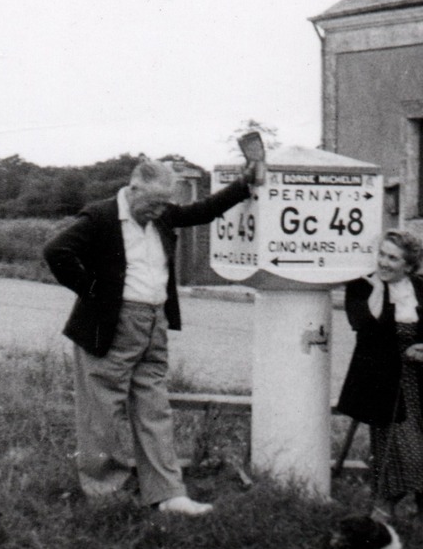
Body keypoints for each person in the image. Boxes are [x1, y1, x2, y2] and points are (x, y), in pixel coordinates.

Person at [43, 155, 261, 515]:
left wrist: (243, 185)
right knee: (102, 413)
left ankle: (167, 494)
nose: (160, 210)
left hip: (154, 322)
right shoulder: (100, 216)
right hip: (110, 324)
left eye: (165, 202)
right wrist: (94, 292)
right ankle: (105, 494)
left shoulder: (162, 215)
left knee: (154, 409)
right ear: (133, 189)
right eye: (153, 202)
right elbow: (56, 251)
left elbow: (203, 211)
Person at [335, 229, 423, 540]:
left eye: (392, 258)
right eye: (382, 254)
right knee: (405, 459)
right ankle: (377, 527)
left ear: (409, 266)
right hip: (384, 389)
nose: (383, 262)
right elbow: (364, 329)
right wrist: (378, 293)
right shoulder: (361, 287)